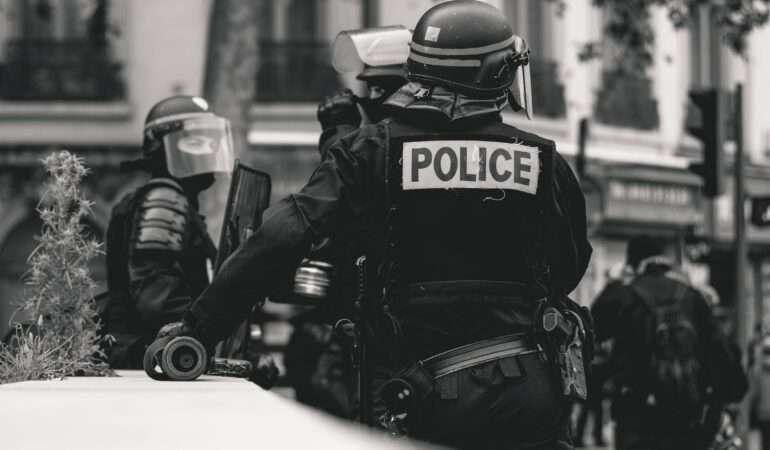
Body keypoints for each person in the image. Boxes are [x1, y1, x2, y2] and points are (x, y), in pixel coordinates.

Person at [157, 1, 592, 448]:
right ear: (496, 73)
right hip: (525, 393)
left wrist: (199, 329)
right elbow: (569, 266)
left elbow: (282, 236)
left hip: (416, 393)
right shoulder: (542, 160)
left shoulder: (370, 151)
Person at [283, 27, 410, 418]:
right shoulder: (378, 144)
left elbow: (352, 208)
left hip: (395, 337)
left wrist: (339, 136)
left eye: (379, 91)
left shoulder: (394, 148)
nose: (367, 101)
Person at [103, 95, 233, 369]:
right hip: (153, 358)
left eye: (211, 141)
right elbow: (157, 293)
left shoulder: (177, 201)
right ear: (162, 147)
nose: (208, 149)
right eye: (195, 141)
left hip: (162, 357)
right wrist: (196, 334)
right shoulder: (164, 199)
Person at [599, 235, 747, 450]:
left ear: (632, 263)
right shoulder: (692, 296)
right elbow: (722, 355)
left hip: (637, 418)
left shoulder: (624, 296)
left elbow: (592, 336)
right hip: (688, 418)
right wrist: (723, 401)